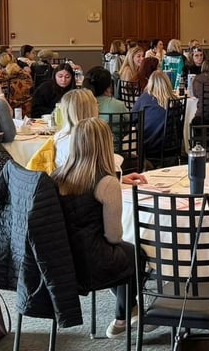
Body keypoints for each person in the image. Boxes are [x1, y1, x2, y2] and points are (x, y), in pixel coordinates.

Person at [52, 118, 148, 339]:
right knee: (135, 254)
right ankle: (123, 316)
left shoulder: (57, 176)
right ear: (105, 145)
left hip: (64, 258)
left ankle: (131, 310)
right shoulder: (106, 182)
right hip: (92, 262)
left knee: (126, 255)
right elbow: (113, 236)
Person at [26, 89, 100, 175]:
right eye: (96, 105)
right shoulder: (86, 140)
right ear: (90, 110)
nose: (98, 107)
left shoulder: (59, 137)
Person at [133, 70, 174, 156]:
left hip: (147, 146)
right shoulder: (175, 101)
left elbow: (133, 118)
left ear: (150, 83)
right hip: (169, 146)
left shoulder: (144, 99)